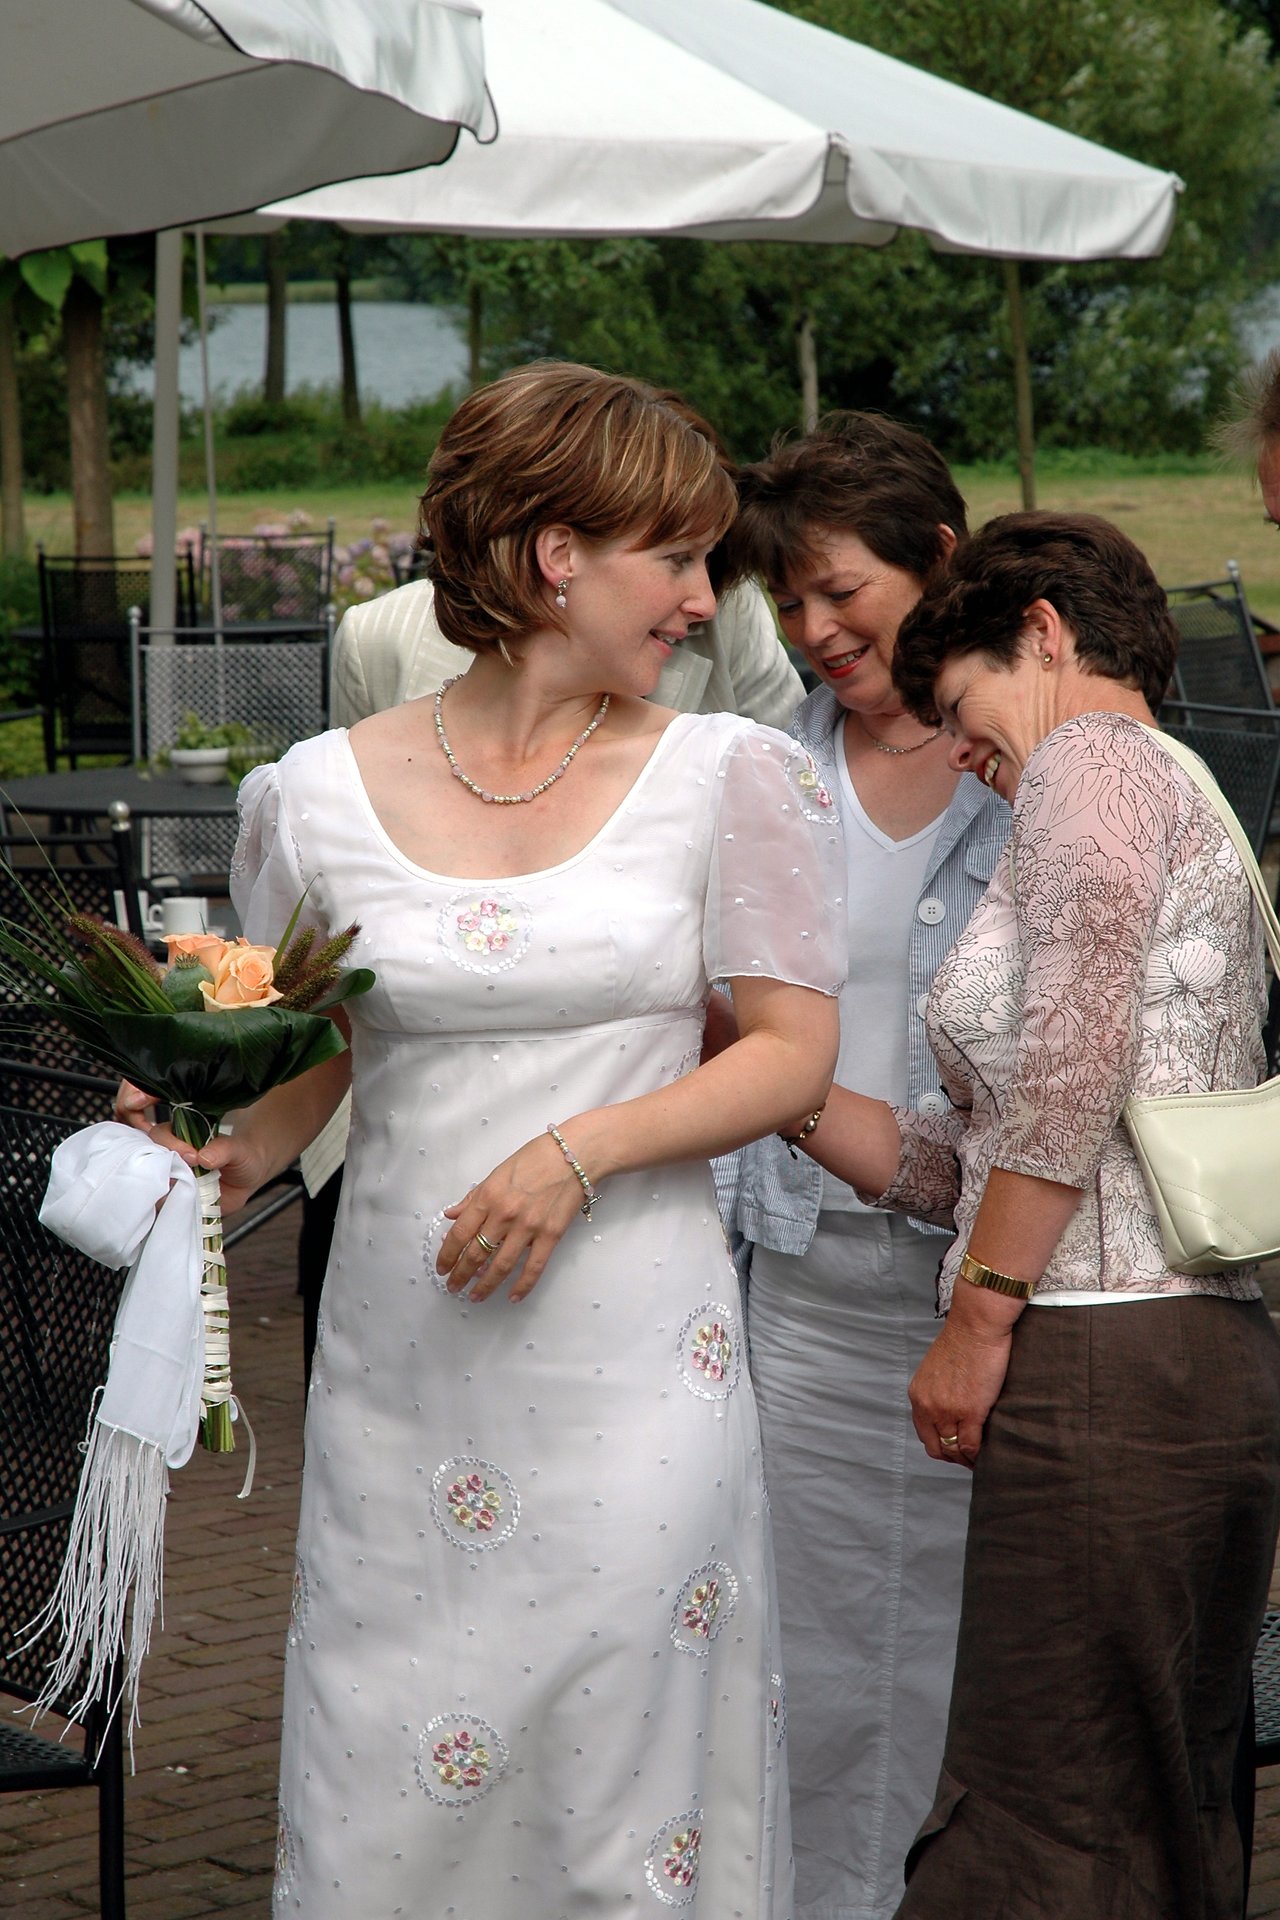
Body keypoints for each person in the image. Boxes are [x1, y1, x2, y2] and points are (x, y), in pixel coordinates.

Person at [147, 362, 845, 1915]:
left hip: (639, 1362)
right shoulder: (310, 798)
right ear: (554, 557)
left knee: (625, 1780)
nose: (700, 600)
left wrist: (578, 1151)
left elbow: (796, 1060)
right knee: (388, 1760)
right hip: (406, 1362)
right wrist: (234, 1151)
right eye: (674, 559)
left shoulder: (729, 774)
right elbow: (315, 1046)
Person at [785, 509, 1280, 1920]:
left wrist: (979, 1321)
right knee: (1138, 1803)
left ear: (1049, 633)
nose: (958, 750)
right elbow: (974, 1156)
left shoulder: (1094, 761)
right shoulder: (1152, 790)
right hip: (1172, 1357)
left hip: (1105, 1361)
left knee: (1049, 1807)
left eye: (962, 704)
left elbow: (1071, 1061)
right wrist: (773, 1083)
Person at [715, 414, 1009, 1920]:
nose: (813, 629)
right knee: (801, 1658)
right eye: (788, 600)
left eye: (840, 591)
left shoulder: (1028, 775)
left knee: (968, 1663)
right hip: (801, 1283)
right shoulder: (767, 773)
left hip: (979, 1295)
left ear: (938, 560)